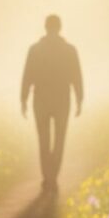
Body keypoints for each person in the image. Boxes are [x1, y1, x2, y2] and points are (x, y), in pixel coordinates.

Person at [20, 14, 83, 191]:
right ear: (59, 28)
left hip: (40, 100)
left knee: (44, 140)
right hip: (62, 100)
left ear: (46, 27)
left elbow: (27, 76)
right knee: (59, 139)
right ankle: (52, 175)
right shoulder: (70, 50)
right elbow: (76, 77)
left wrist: (24, 99)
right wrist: (79, 99)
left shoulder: (35, 49)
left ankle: (47, 176)